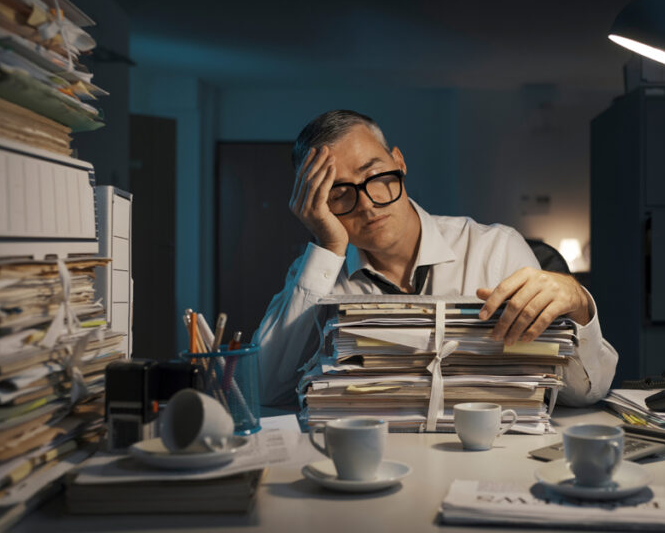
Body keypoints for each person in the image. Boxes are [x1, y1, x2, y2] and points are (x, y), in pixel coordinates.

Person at [254, 109, 617, 407]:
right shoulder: (318, 274)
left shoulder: (496, 248)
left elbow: (585, 392)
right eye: (338, 193)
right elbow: (264, 390)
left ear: (399, 161)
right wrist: (326, 245)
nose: (366, 204)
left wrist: (579, 304)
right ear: (314, 206)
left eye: (375, 175)